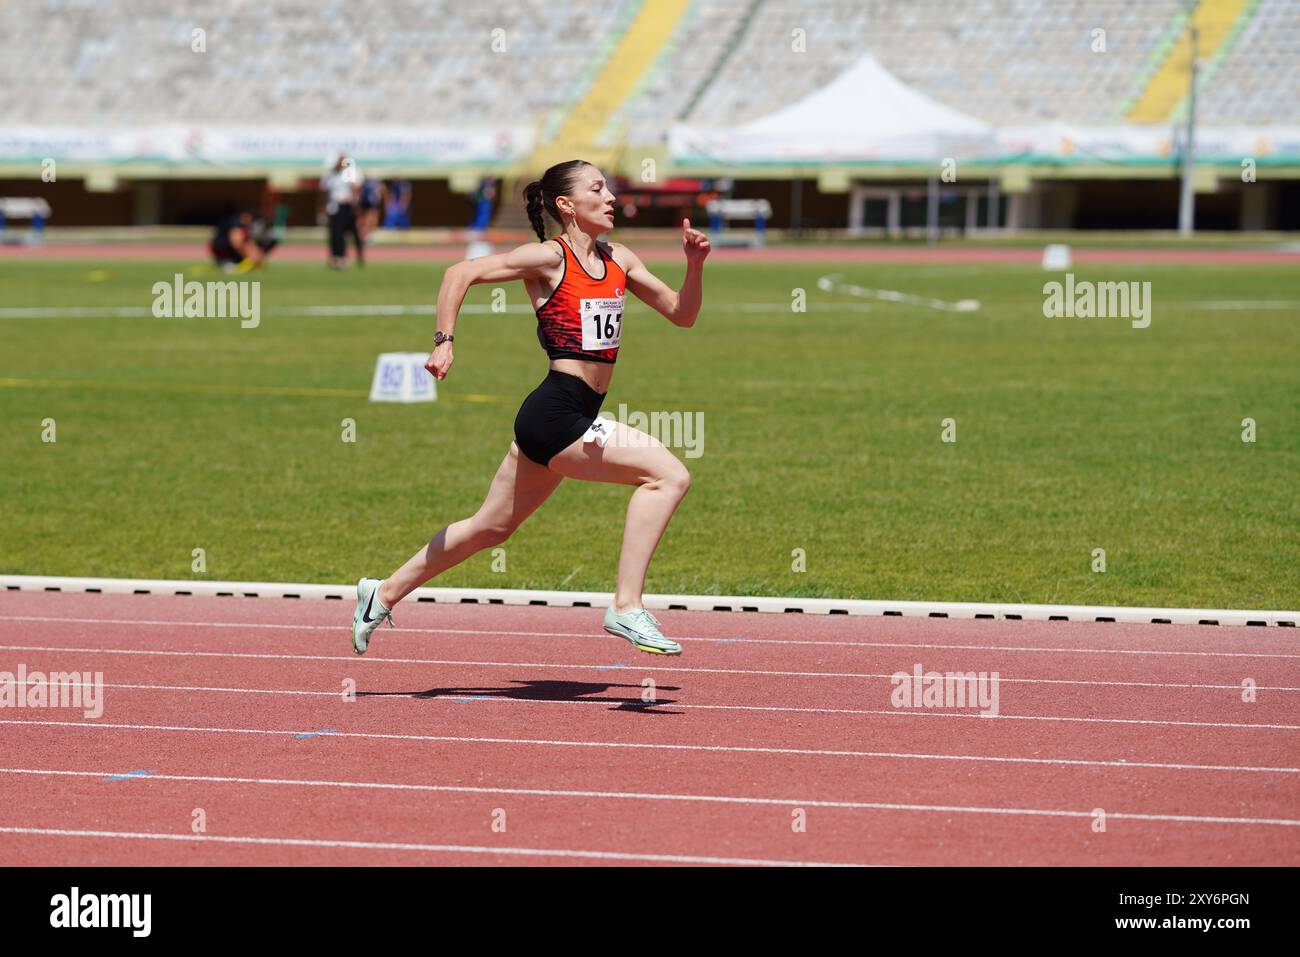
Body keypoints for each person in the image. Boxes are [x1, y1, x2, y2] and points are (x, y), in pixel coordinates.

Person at [352, 159, 711, 657]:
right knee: (667, 476)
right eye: (597, 189)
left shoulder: (619, 259)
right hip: (556, 413)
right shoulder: (548, 258)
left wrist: (694, 267)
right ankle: (627, 607)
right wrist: (444, 341)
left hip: (575, 413)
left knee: (490, 527)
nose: (610, 197)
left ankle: (382, 592)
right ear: (566, 205)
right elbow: (460, 272)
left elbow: (682, 314)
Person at [319, 153, 364, 268]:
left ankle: (355, 256)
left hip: (347, 207)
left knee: (351, 233)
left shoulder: (350, 173)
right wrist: (322, 208)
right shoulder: (330, 175)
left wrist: (355, 202)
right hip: (334, 207)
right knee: (335, 233)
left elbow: (356, 188)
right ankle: (336, 256)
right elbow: (324, 192)